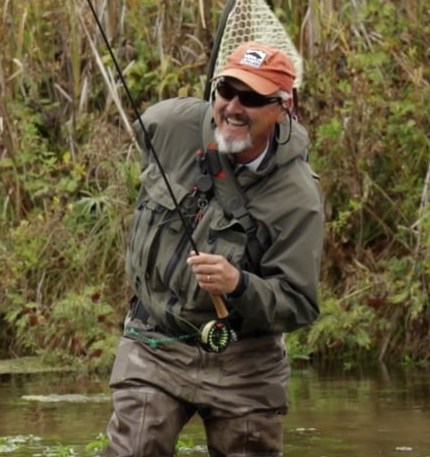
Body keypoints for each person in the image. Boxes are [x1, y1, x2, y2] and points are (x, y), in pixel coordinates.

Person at [101, 42, 324, 457]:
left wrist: (238, 284)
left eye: (253, 98)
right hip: (155, 342)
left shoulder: (299, 198)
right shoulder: (168, 124)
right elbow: (148, 149)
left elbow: (300, 303)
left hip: (246, 361)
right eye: (227, 91)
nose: (235, 107)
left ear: (283, 108)